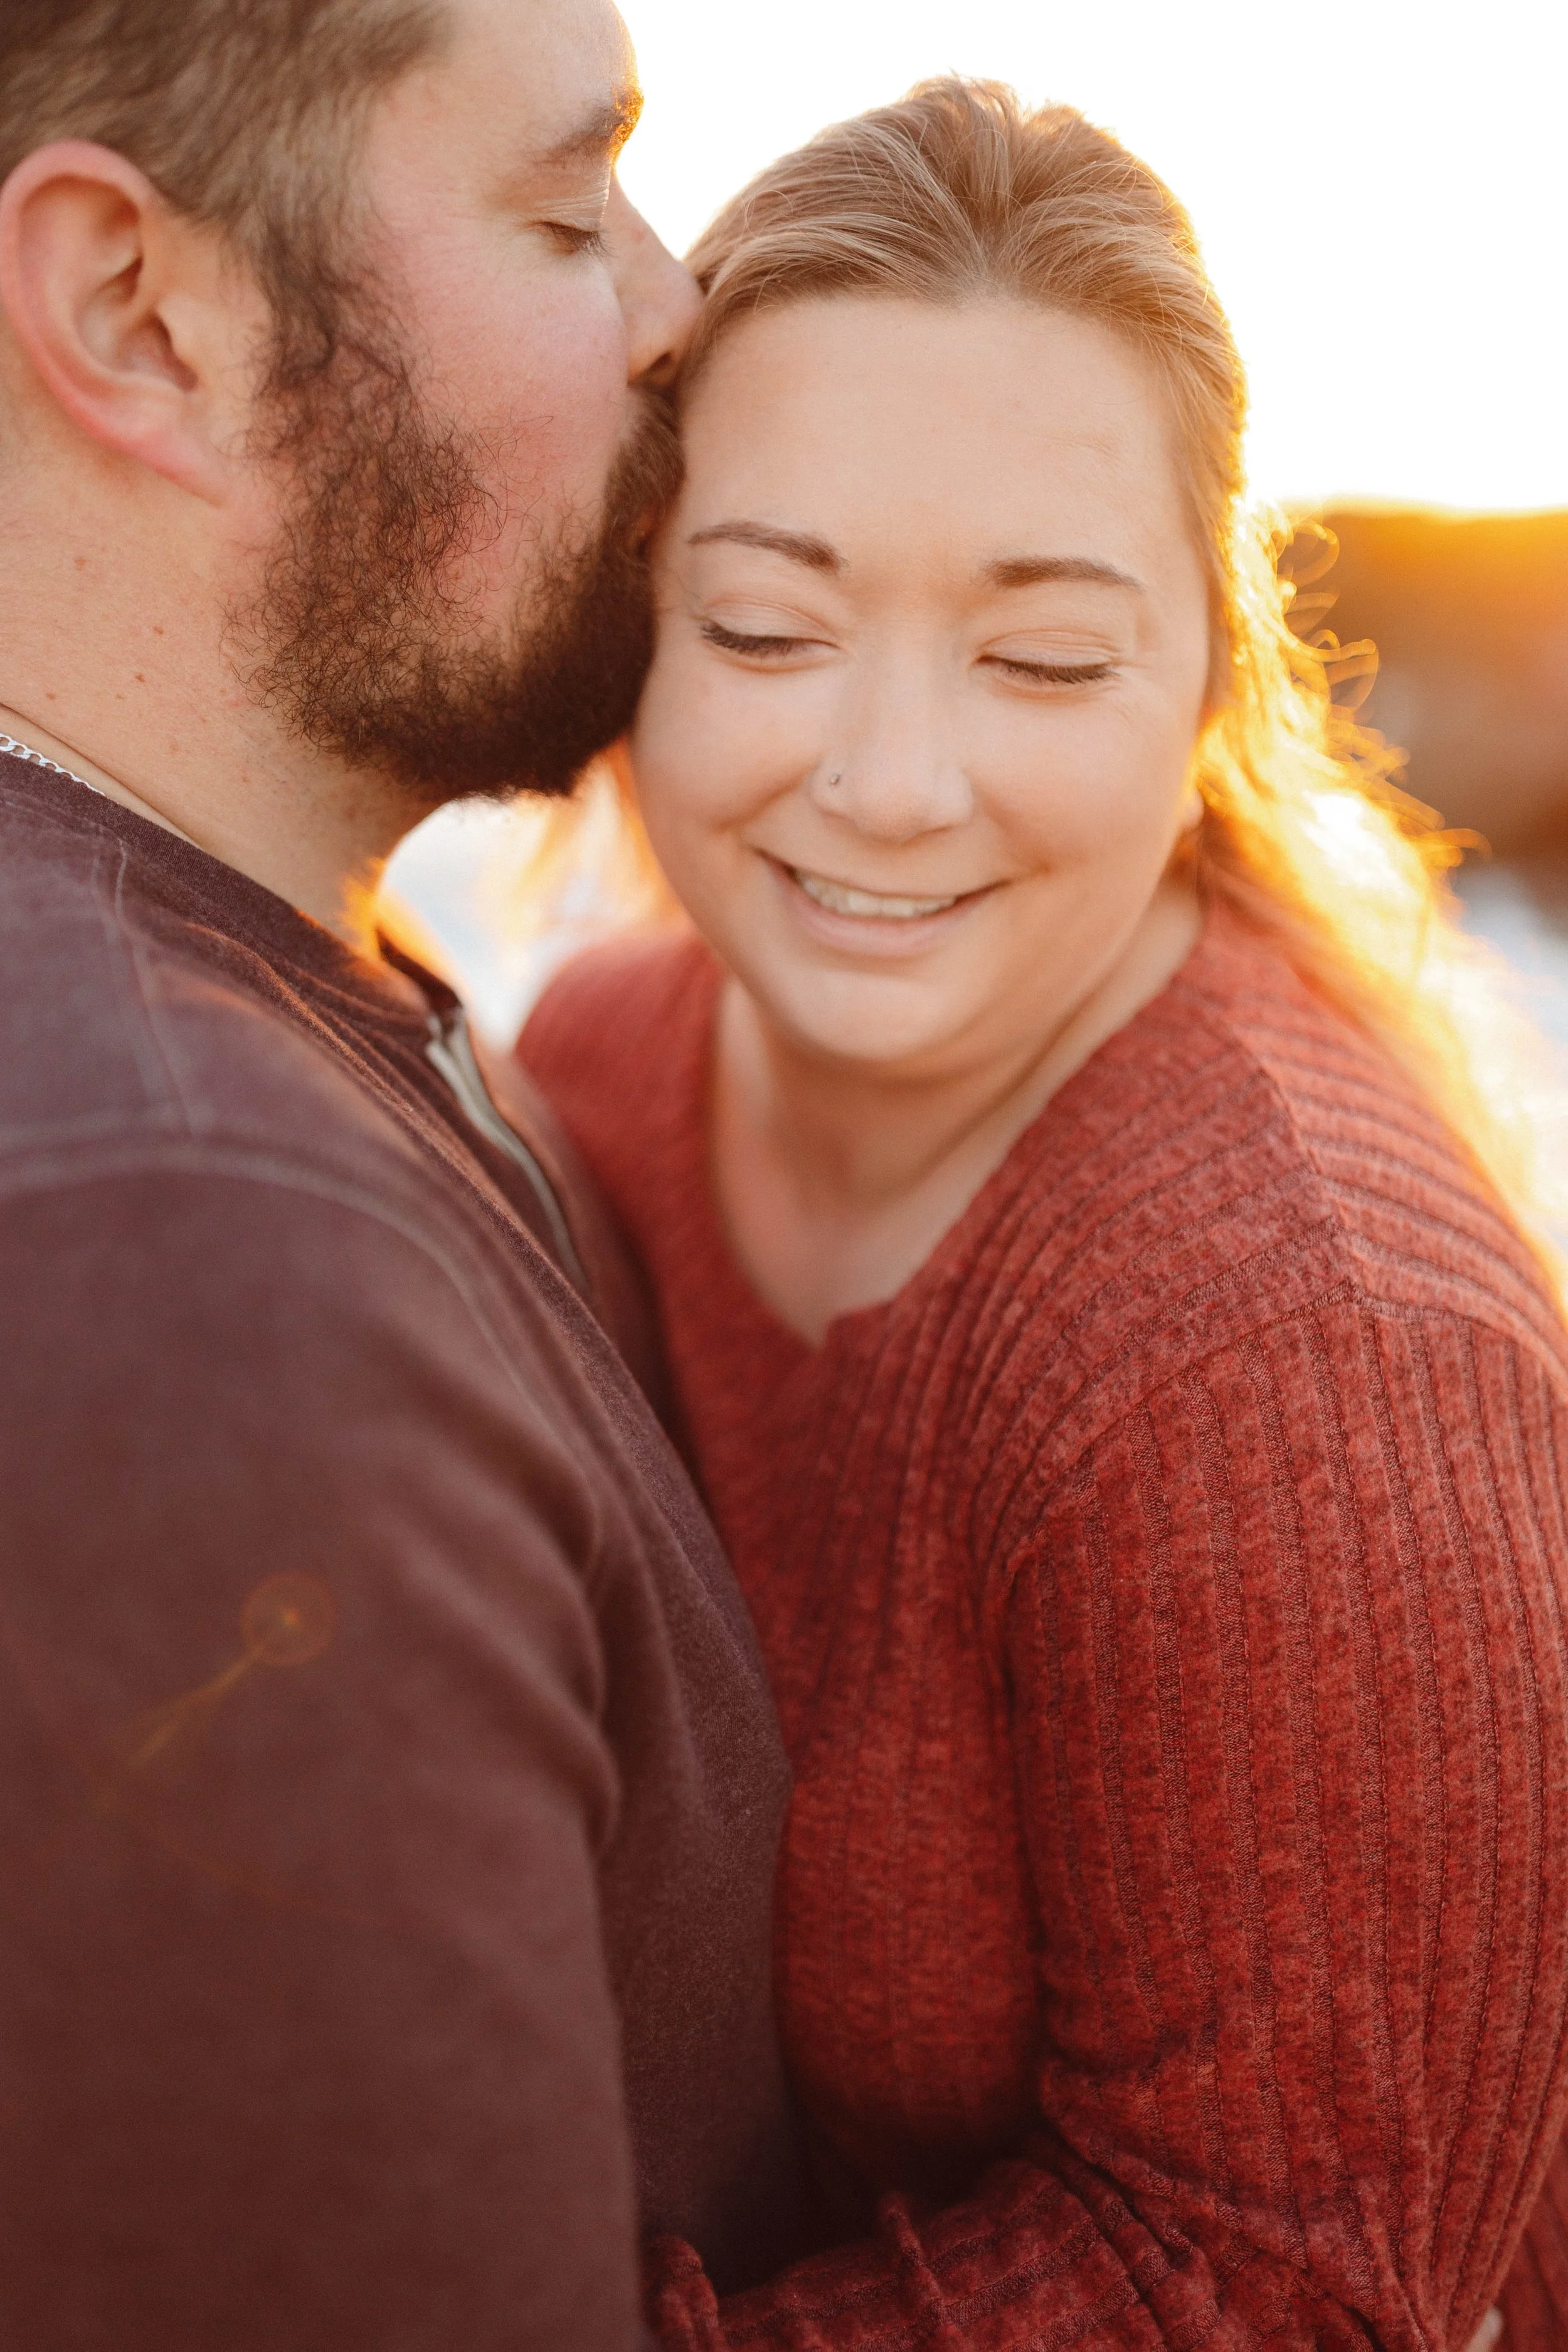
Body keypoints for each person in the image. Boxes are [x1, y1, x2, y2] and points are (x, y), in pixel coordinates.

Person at [516, 81, 1568, 2348]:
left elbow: (1289, 2285)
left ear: (1208, 688)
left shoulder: (1298, 1347)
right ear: (629, 631)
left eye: (1044, 656)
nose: (890, 782)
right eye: (766, 626)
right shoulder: (600, 1067)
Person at [0, 3, 816, 2346]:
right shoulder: (191, 1260)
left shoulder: (280, 1013)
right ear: (141, 314)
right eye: (563, 212)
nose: (676, 302)